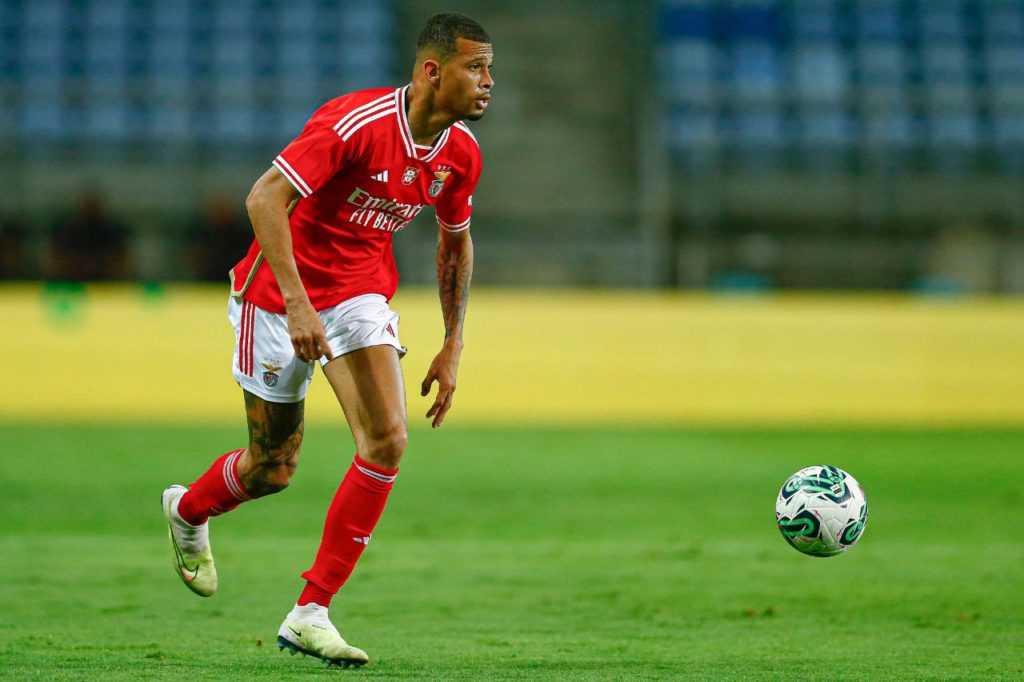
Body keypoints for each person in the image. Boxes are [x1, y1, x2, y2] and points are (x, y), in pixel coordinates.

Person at [161, 13, 493, 668]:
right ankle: (188, 509)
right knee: (273, 469)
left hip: (360, 296)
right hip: (276, 293)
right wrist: (297, 306)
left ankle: (310, 612)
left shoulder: (460, 156)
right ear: (432, 71)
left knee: (387, 440)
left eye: (490, 70)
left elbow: (455, 244)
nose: (488, 83)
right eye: (475, 68)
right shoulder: (357, 124)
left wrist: (453, 342)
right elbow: (264, 200)